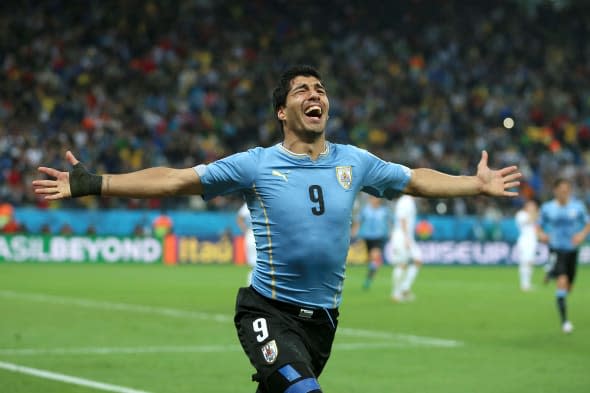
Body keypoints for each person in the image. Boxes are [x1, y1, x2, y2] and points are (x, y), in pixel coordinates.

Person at [33, 65, 521, 393]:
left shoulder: (356, 161)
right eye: (302, 90)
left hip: (324, 323)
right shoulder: (257, 165)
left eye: (321, 89)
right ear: (282, 112)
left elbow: (415, 180)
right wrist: (95, 182)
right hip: (267, 310)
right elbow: (177, 178)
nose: (316, 95)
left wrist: (474, 185)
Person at [538, 178, 590, 334]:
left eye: (567, 189)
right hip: (556, 249)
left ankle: (551, 272)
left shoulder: (578, 207)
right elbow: (538, 226)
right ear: (555, 190)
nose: (564, 192)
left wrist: (581, 235)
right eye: (561, 189)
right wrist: (542, 235)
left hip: (572, 250)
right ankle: (565, 322)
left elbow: (588, 223)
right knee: (562, 282)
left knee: (569, 287)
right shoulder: (548, 208)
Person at [351, 195, 392, 290]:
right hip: (367, 237)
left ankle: (369, 279)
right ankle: (371, 273)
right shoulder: (365, 210)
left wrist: (391, 231)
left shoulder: (384, 211)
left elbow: (392, 220)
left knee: (375, 255)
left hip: (380, 237)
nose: (375, 200)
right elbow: (358, 221)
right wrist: (354, 232)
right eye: (373, 198)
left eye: (376, 198)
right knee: (371, 259)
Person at [387, 195, 422, 302]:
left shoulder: (409, 201)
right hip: (402, 236)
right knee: (401, 264)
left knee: (417, 260)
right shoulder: (405, 201)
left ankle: (404, 288)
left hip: (406, 236)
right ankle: (396, 294)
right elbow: (401, 219)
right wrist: (406, 237)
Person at [514, 199, 539, 292]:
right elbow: (529, 221)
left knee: (530, 262)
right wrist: (534, 213)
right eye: (531, 206)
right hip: (525, 241)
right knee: (525, 261)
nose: (533, 208)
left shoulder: (533, 215)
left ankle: (528, 283)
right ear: (526, 206)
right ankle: (524, 284)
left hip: (533, 241)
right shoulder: (521, 214)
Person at [237, 201, 257, 285]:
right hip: (252, 233)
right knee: (255, 264)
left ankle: (252, 284)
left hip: (252, 234)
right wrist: (245, 230)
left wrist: (244, 230)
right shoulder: (248, 204)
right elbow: (239, 218)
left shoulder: (247, 204)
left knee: (255, 264)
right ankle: (253, 285)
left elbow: (239, 218)